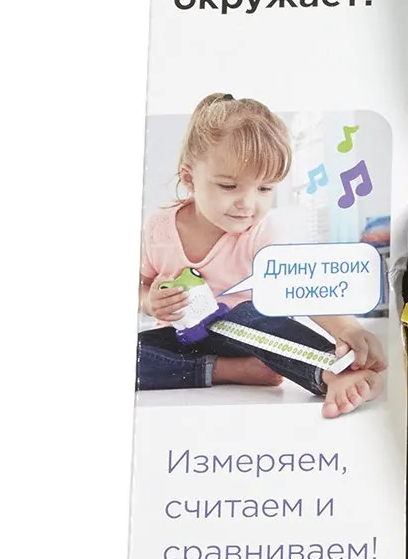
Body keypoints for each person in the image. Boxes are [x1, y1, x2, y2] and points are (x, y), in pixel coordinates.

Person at [138, 93, 385, 418]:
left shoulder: (263, 234)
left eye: (265, 189)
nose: (248, 204)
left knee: (246, 313)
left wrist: (346, 329)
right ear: (189, 179)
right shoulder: (158, 228)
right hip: (181, 338)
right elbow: (141, 284)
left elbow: (301, 291)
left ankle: (331, 371)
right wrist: (149, 301)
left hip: (251, 335)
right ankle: (225, 370)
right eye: (229, 187)